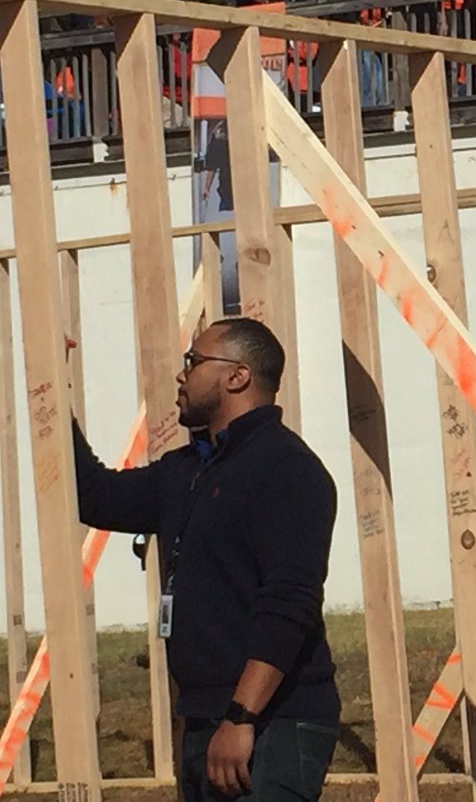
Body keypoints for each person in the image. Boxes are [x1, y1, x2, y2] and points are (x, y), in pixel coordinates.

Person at [72, 319, 339, 802]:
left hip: (271, 721)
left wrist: (241, 717)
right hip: (206, 718)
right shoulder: (187, 469)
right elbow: (96, 498)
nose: (181, 375)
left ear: (237, 376)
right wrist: (54, 389)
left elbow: (289, 604)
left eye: (193, 362)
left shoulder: (288, 470)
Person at [329, 0, 385, 108]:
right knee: (366, 84)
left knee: (377, 85)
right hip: (357, 44)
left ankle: (373, 108)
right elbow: (337, 15)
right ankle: (365, 113)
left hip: (372, 44)